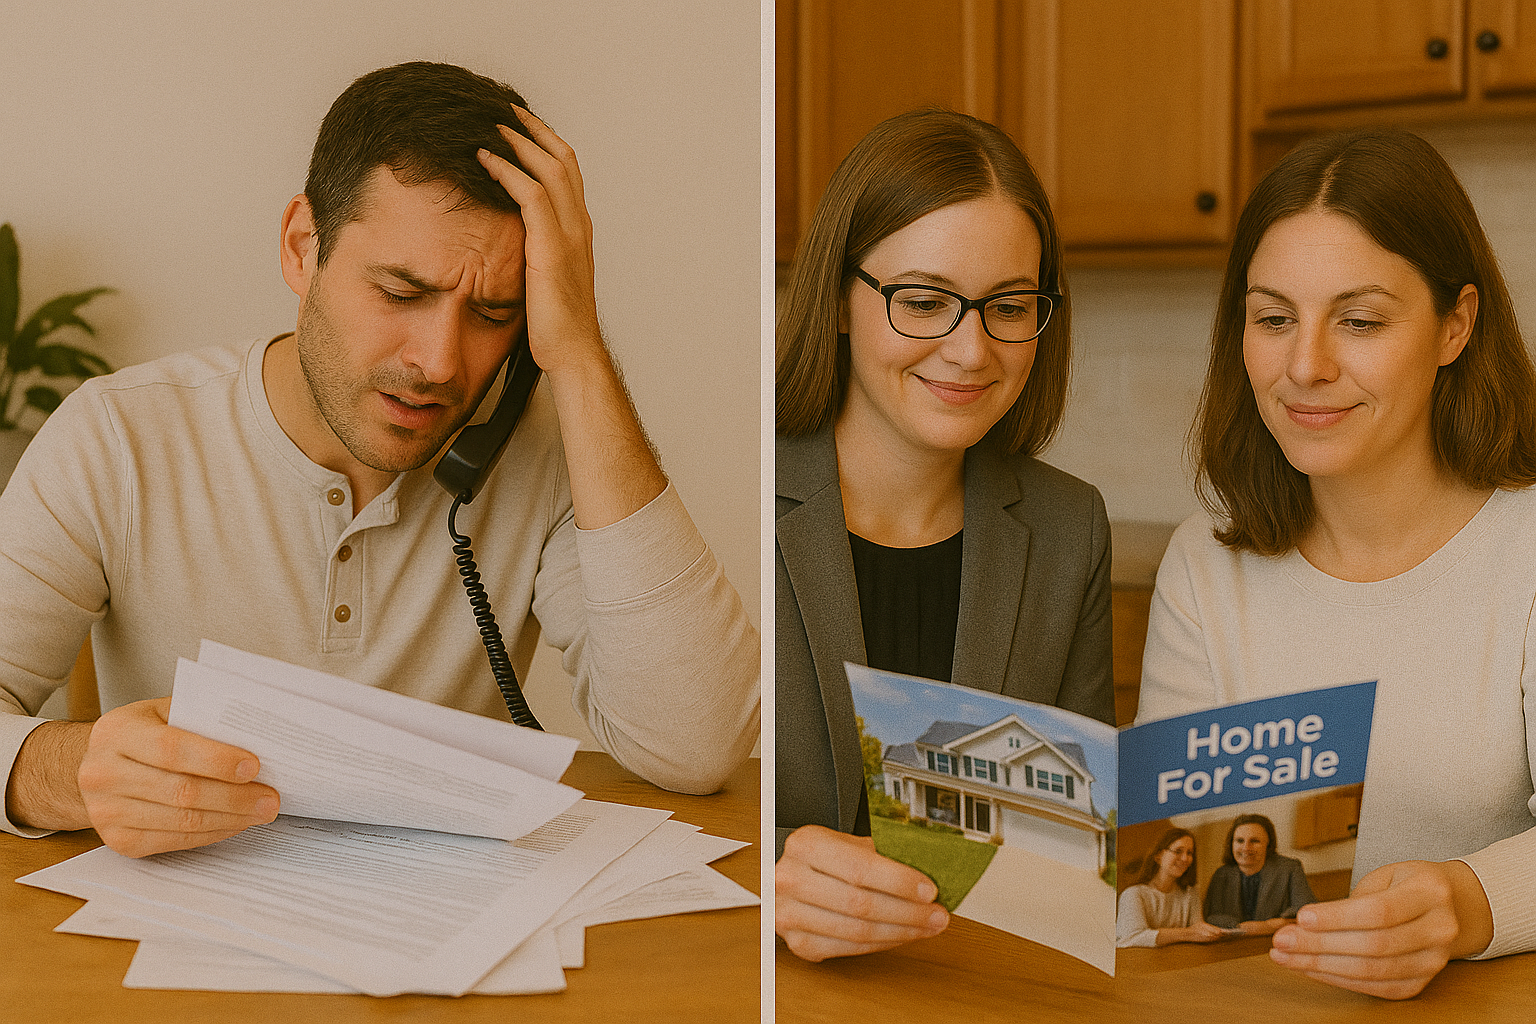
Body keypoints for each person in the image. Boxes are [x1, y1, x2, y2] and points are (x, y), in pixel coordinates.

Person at [0, 61, 758, 858]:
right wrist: (73, 769)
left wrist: (578, 356)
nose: (439, 362)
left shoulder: (548, 450)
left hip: (451, 936)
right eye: (401, 293)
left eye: (494, 312)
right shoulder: (119, 436)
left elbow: (697, 745)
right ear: (303, 248)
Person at [1138, 126, 1536, 999]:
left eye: (1359, 321)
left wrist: (1466, 902)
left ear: (1454, 325)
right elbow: (1175, 851)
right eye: (1273, 319)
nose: (1306, 365)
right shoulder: (1204, 565)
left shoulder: (1527, 552)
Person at [775, 108, 1114, 963]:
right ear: (842, 302)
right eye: (924, 302)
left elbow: (1074, 847)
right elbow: (662, 796)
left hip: (973, 986)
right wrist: (773, 875)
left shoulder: (1069, 528)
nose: (970, 351)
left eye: (1008, 306)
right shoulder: (727, 489)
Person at [1116, 826, 1232, 947]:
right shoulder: (1133, 894)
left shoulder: (1190, 893)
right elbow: (1132, 937)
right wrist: (1188, 933)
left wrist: (1213, 932)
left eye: (1189, 853)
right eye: (1178, 851)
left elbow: (1198, 929)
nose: (1185, 859)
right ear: (1158, 856)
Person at [1200, 815, 1316, 934]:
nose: (1246, 848)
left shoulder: (1290, 868)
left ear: (1268, 844)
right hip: (1233, 945)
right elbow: (1211, 917)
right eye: (1240, 841)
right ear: (1231, 844)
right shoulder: (1221, 874)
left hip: (1278, 940)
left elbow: (1306, 910)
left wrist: (1268, 926)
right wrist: (1241, 927)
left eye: (1254, 841)